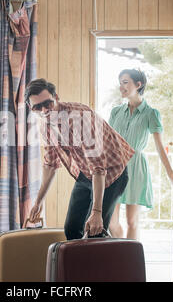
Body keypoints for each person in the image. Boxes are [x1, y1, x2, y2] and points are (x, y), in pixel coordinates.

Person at [26, 78, 135, 240]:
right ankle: (78, 264)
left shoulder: (79, 118)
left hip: (111, 174)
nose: (44, 111)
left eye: (47, 104)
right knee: (71, 229)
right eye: (37, 107)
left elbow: (99, 168)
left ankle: (105, 262)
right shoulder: (45, 125)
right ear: (31, 107)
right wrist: (38, 202)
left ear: (56, 97)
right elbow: (50, 165)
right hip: (86, 174)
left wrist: (96, 212)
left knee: (95, 230)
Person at [108, 69, 173, 240]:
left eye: (125, 82)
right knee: (111, 222)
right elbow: (108, 141)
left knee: (132, 221)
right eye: (120, 82)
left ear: (138, 85)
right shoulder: (116, 112)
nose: (121, 86)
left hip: (136, 168)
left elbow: (159, 146)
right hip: (114, 167)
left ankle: (129, 259)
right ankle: (120, 250)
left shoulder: (151, 113)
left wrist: (171, 175)